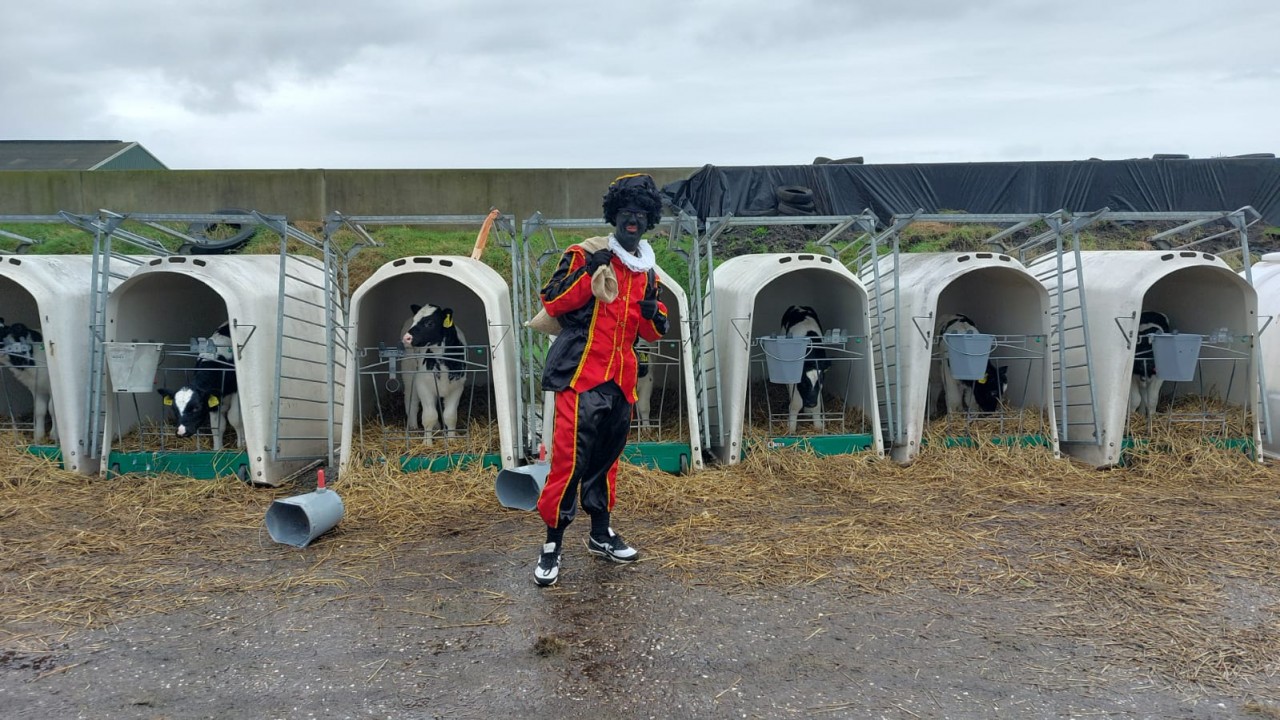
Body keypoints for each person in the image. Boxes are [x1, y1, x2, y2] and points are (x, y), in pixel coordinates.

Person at [532, 173, 670, 587]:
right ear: (614, 215)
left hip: (621, 380)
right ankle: (552, 544)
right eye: (626, 212)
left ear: (649, 221)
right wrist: (588, 275)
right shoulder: (585, 254)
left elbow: (651, 332)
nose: (633, 220)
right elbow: (553, 300)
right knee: (569, 461)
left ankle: (600, 533)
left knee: (607, 461)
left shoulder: (647, 271)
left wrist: (653, 315)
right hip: (580, 374)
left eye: (640, 214)